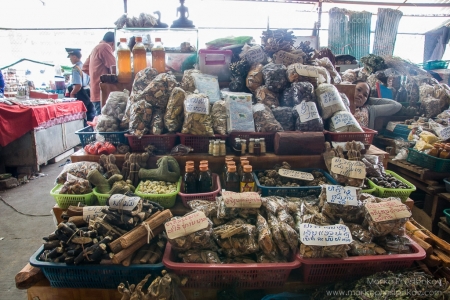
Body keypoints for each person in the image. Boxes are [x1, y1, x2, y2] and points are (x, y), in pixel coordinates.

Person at [82, 32, 116, 116]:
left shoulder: (96, 48)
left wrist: (96, 75)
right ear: (112, 43)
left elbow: (85, 67)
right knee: (106, 123)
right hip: (103, 93)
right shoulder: (105, 47)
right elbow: (114, 68)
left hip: (95, 92)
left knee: (100, 120)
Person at [66, 48, 95, 122]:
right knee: (90, 117)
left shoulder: (76, 68)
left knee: (81, 118)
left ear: (75, 57)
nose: (70, 59)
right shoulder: (85, 66)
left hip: (81, 94)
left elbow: (78, 85)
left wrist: (72, 94)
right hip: (89, 92)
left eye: (70, 57)